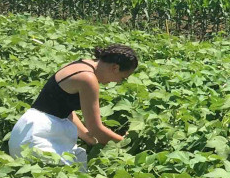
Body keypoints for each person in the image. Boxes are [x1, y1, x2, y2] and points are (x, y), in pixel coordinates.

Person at [8, 44, 138, 169]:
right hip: (38, 136)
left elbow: (64, 108)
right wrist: (126, 143)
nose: (118, 82)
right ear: (115, 68)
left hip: (27, 129)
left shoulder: (82, 64)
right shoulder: (87, 78)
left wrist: (88, 138)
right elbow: (96, 129)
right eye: (122, 78)